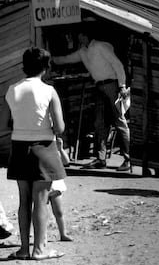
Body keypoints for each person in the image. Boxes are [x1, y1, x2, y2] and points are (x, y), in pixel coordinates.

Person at [1, 47, 67, 260]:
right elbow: (60, 127)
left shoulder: (12, 90)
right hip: (44, 147)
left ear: (24, 67)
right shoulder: (49, 91)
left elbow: (4, 124)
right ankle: (39, 249)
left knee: (24, 200)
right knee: (41, 199)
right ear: (46, 68)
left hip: (19, 147)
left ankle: (23, 249)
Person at [51, 27, 131, 172]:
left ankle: (128, 159)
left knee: (119, 121)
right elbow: (67, 59)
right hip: (100, 86)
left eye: (80, 35)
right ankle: (101, 159)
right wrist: (51, 59)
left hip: (112, 85)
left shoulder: (100, 46)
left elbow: (118, 65)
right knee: (99, 122)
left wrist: (122, 86)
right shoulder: (83, 52)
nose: (78, 39)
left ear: (85, 36)